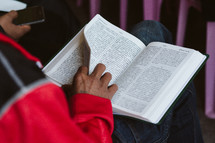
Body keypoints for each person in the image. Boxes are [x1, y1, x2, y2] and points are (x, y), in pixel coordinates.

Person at [0, 10, 204, 143]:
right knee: (173, 76)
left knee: (150, 31)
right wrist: (90, 105)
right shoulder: (12, 78)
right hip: (89, 128)